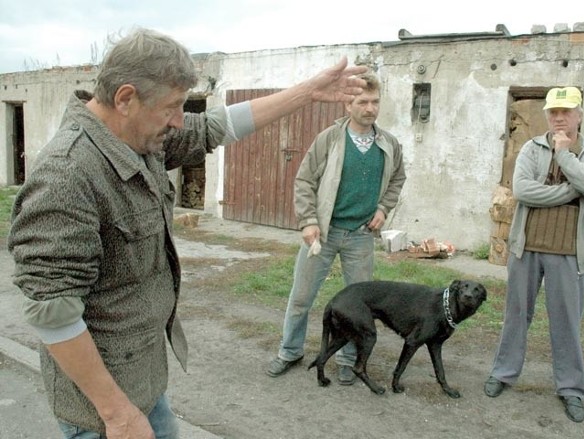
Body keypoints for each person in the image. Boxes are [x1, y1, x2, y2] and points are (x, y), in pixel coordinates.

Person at [7, 27, 368, 439]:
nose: (179, 120)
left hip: (143, 381)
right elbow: (52, 313)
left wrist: (306, 93)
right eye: (172, 107)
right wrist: (118, 415)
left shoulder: (136, 136)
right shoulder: (67, 175)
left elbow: (217, 126)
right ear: (125, 98)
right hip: (103, 412)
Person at [266, 72, 406, 385]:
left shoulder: (389, 143)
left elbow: (398, 178)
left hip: (360, 236)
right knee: (301, 297)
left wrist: (383, 209)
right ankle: (289, 351)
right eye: (362, 102)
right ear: (347, 105)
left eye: (375, 102)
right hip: (324, 234)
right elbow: (304, 180)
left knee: (359, 305)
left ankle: (348, 358)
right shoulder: (329, 139)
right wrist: (308, 220)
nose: (370, 108)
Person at [483, 87, 584, 423]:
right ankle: (504, 372)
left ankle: (571, 389)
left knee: (567, 323)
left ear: (579, 115)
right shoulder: (531, 147)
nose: (558, 117)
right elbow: (523, 190)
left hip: (569, 252)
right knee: (516, 315)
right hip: (527, 247)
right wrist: (570, 190)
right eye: (553, 111)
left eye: (566, 111)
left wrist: (566, 157)